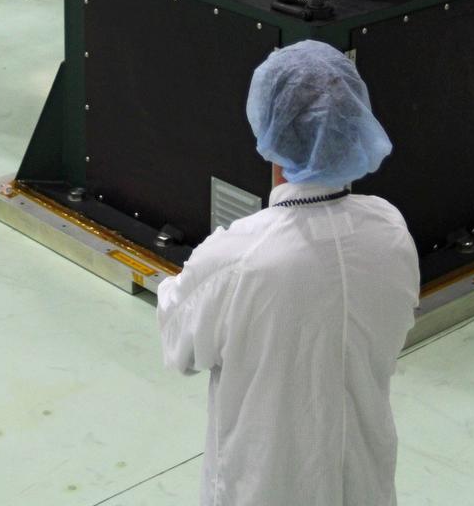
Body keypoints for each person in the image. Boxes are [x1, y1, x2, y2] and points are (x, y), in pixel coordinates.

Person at [158, 40, 419, 506]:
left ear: (270, 133)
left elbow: (180, 346)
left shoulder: (237, 257)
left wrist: (182, 282)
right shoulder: (391, 231)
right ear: (353, 125)